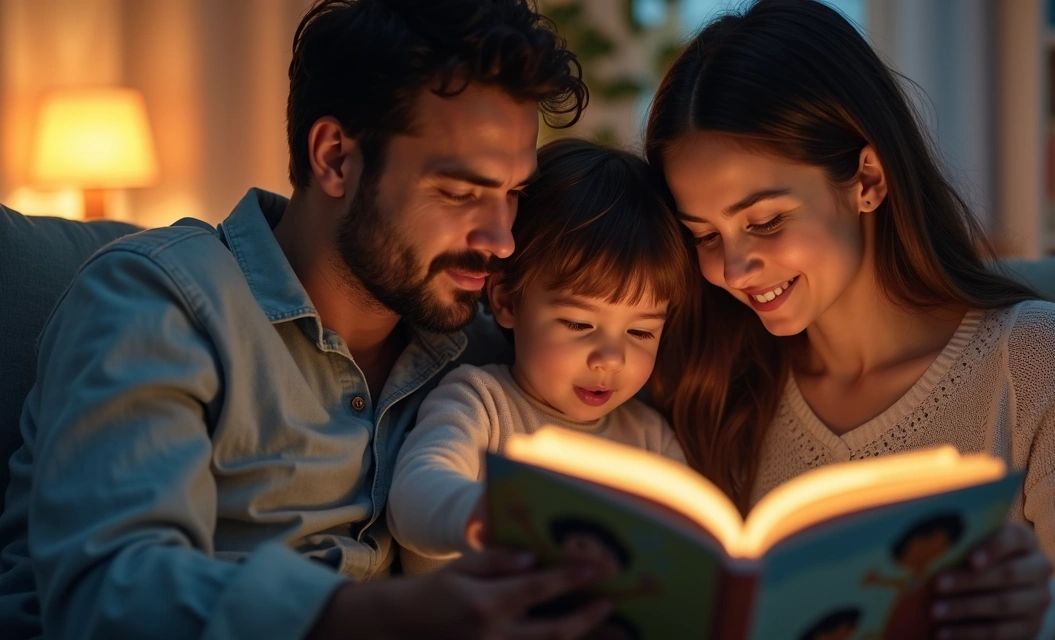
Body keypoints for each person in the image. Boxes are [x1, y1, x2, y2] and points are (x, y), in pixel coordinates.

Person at [0, 1, 620, 639]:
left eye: (513, 194)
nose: (501, 238)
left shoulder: (480, 349)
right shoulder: (156, 299)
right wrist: (402, 616)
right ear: (334, 158)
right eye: (461, 192)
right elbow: (111, 593)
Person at [644, 1, 1055, 638]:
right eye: (705, 235)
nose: (734, 270)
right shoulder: (721, 379)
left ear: (867, 178)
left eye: (765, 222)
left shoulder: (1036, 358)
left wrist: (1048, 614)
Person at [388, 139, 688, 567]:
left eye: (641, 332)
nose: (611, 358)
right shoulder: (481, 403)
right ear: (508, 302)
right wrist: (495, 519)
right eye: (579, 324)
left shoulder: (649, 438)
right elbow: (414, 495)